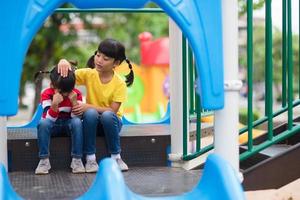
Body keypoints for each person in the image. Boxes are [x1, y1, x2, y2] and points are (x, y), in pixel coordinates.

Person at [58, 39, 134, 172]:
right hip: (92, 122)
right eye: (98, 55)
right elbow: (66, 75)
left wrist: (88, 106)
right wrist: (63, 61)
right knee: (90, 114)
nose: (99, 60)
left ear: (115, 63)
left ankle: (116, 156)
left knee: (105, 115)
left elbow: (112, 111)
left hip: (112, 123)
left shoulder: (119, 83)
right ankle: (90, 159)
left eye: (105, 58)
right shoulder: (89, 74)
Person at [34, 65, 85, 175]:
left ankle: (77, 160)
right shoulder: (47, 93)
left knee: (77, 123)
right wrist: (54, 104)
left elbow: (75, 118)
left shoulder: (76, 94)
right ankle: (44, 160)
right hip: (53, 124)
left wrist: (75, 102)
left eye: (68, 90)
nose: (66, 94)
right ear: (52, 85)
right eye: (62, 91)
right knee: (42, 123)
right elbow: (48, 119)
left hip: (68, 124)